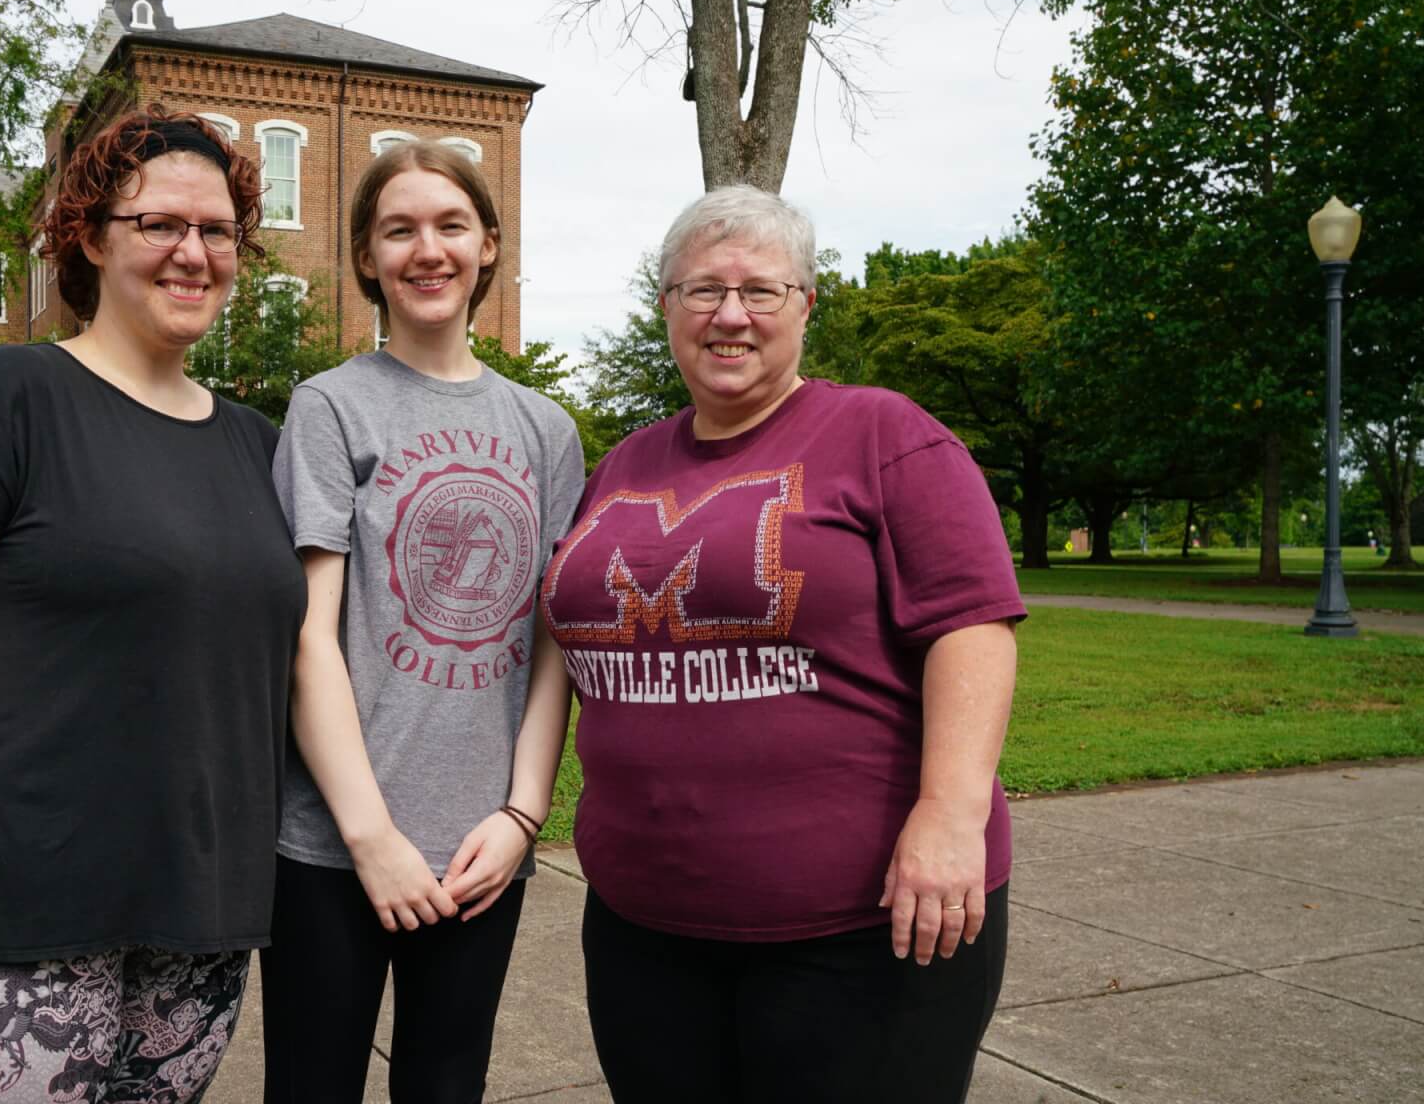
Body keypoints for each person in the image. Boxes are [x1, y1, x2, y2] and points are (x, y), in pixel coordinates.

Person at [0, 106, 307, 1104]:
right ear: (89, 235)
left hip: (196, 915)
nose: (192, 252)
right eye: (158, 224)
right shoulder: (10, 394)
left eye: (216, 231)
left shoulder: (259, 445)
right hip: (5, 905)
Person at [541, 185, 1023, 1102]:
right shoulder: (625, 462)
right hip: (646, 930)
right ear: (666, 308)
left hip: (864, 929)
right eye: (701, 290)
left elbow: (973, 624)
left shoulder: (884, 434)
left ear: (805, 304)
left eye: (761, 291)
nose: (731, 315)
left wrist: (951, 816)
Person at [262, 140, 584, 1103]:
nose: (426, 249)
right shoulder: (329, 408)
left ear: (489, 245)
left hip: (481, 848)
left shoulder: (546, 431)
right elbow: (306, 639)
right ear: (366, 257)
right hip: (332, 849)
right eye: (398, 229)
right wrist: (370, 838)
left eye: (450, 226)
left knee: (448, 1085)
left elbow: (551, 648)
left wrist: (523, 816)